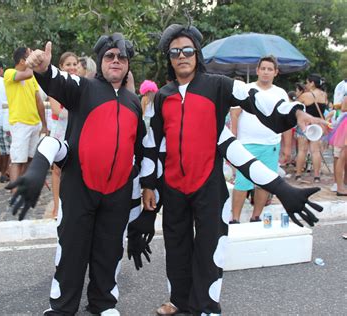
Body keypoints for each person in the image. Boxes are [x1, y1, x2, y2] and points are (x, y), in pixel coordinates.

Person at [134, 23, 324, 315]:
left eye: (187, 50)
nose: (181, 56)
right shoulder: (162, 96)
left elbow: (258, 100)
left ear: (196, 54)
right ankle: (178, 300)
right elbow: (151, 143)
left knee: (211, 247)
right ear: (169, 58)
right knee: (176, 247)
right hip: (173, 187)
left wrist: (297, 112)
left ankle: (207, 305)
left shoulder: (218, 85)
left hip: (208, 185)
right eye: (174, 52)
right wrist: (148, 186)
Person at [7, 33, 145, 315]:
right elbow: (56, 79)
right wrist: (42, 67)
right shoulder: (83, 88)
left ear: (128, 64)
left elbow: (140, 149)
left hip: (117, 193)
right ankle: (61, 308)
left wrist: (143, 200)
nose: (116, 61)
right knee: (71, 249)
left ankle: (104, 303)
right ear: (100, 61)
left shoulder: (134, 102)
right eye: (109, 56)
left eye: (121, 57)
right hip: (79, 187)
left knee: (109, 251)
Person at [230, 55, 289, 223]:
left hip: (271, 145)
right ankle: (234, 218)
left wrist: (286, 147)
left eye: (270, 69)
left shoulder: (280, 93)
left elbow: (286, 121)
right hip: (246, 144)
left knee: (265, 183)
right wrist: (233, 141)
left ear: (276, 72)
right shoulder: (245, 89)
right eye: (263, 68)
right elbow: (234, 114)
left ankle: (256, 216)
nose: (265, 72)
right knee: (242, 182)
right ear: (257, 70)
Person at [4, 48, 48, 193]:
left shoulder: (32, 77)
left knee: (30, 159)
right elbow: (29, 73)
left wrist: (44, 124)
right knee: (17, 159)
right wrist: (33, 64)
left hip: (35, 123)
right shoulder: (9, 73)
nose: (33, 58)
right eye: (29, 56)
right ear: (22, 61)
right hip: (20, 123)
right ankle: (14, 190)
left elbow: (38, 101)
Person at [49, 52, 78, 218]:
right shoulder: (55, 85)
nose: (72, 67)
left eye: (74, 64)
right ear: (61, 66)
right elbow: (56, 110)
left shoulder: (81, 84)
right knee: (57, 170)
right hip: (61, 131)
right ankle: (56, 207)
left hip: (77, 130)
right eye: (68, 64)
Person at [294, 74, 329, 183]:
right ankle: (317, 176)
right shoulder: (324, 95)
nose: (306, 85)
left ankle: (298, 174)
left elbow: (295, 107)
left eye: (307, 82)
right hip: (318, 126)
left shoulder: (306, 95)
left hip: (305, 125)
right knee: (315, 151)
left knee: (302, 151)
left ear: (312, 83)